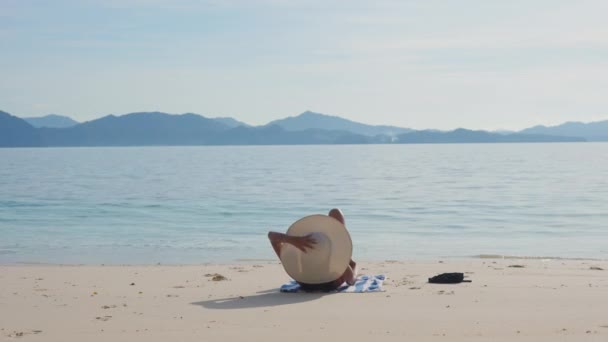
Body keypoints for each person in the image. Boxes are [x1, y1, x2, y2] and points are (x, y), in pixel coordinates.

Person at [268, 208, 357, 291]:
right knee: (335, 212)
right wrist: (350, 265)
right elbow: (351, 281)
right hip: (330, 284)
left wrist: (293, 240)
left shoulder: (300, 279)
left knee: (335, 213)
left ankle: (342, 249)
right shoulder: (336, 277)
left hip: (306, 283)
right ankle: (345, 253)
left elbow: (271, 236)